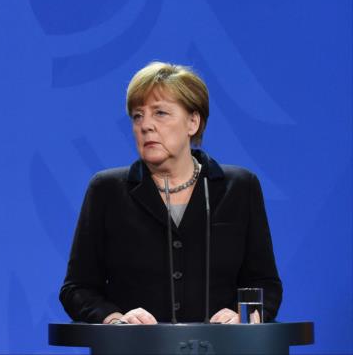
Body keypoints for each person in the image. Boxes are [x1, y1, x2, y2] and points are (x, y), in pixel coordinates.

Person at [60, 62, 281, 324]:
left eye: (160, 113)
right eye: (137, 116)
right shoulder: (107, 190)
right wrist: (115, 320)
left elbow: (265, 284)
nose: (146, 126)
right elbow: (76, 289)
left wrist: (243, 316)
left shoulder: (239, 187)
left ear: (192, 122)